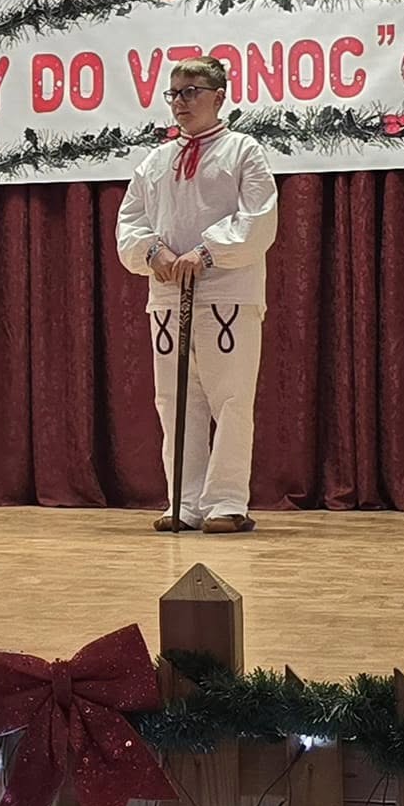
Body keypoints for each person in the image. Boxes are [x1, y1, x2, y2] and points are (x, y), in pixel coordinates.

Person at [114, 59, 279, 532]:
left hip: (227, 290)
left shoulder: (243, 151)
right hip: (168, 294)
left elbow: (258, 219)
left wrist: (206, 252)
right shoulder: (155, 161)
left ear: (218, 96)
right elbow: (130, 220)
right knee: (174, 399)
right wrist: (153, 251)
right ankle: (183, 501)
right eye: (174, 93)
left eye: (191, 92)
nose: (180, 102)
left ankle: (226, 501)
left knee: (230, 398)